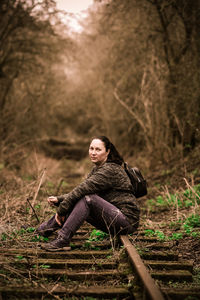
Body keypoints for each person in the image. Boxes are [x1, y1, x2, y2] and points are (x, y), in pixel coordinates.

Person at [37, 136, 140, 251]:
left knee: (87, 199)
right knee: (82, 198)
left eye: (98, 149)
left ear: (108, 151)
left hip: (126, 221)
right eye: (91, 149)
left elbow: (83, 190)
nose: (93, 153)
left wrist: (62, 209)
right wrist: (59, 199)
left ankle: (63, 240)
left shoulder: (110, 170)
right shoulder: (98, 168)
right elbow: (83, 189)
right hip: (112, 217)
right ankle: (42, 231)